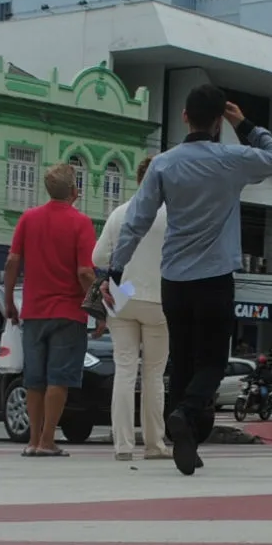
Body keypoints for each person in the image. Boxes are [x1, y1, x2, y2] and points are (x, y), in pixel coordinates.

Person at [109, 84, 272, 475]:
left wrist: (117, 265)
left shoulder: (163, 164)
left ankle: (185, 434)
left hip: (173, 280)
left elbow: (138, 217)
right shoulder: (231, 159)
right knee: (212, 359)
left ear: (185, 116)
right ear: (217, 121)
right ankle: (188, 413)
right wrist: (245, 125)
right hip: (214, 279)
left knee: (184, 358)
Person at [3, 163, 96, 458]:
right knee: (59, 378)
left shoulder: (28, 219)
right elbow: (84, 272)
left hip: (33, 312)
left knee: (34, 378)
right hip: (68, 313)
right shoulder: (81, 223)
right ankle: (47, 440)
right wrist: (100, 309)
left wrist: (8, 301)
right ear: (75, 191)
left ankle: (32, 441)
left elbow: (12, 262)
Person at [93, 156, 169, 463]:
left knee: (124, 370)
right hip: (159, 298)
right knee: (153, 374)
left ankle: (122, 445)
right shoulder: (173, 215)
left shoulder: (120, 213)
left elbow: (99, 258)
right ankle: (155, 444)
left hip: (121, 294)